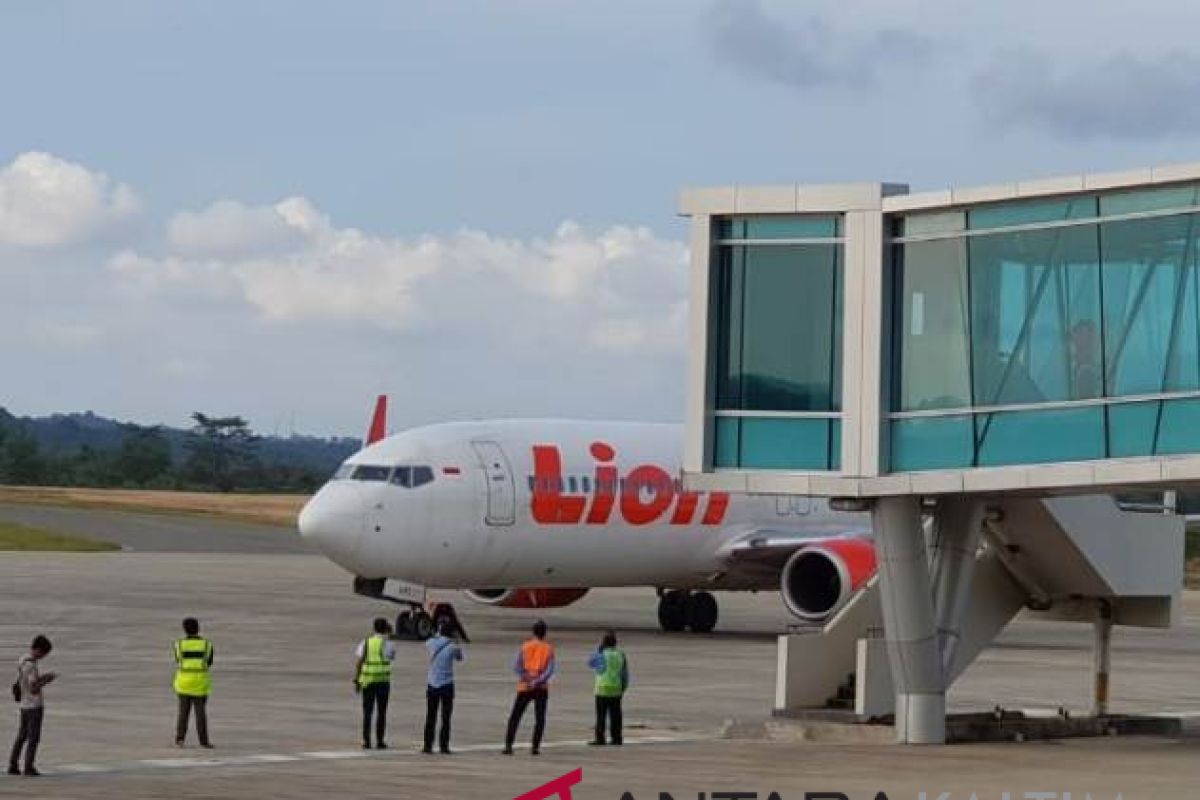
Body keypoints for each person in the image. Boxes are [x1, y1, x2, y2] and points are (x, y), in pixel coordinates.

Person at [503, 620, 556, 756]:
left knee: (515, 716)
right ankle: (535, 747)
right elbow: (549, 670)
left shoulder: (525, 646)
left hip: (525, 686)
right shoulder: (548, 648)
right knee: (539, 718)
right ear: (544, 633)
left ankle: (508, 745)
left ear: (533, 632)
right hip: (540, 687)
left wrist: (527, 678)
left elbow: (517, 666)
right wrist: (538, 681)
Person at [9, 635, 55, 777]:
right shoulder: (31, 665)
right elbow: (34, 688)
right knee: (33, 737)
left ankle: (13, 764)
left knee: (22, 735)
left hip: (24, 704)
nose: (43, 656)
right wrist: (46, 680)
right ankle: (28, 767)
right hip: (33, 705)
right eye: (43, 653)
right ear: (38, 650)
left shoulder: (23, 659)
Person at [423, 620, 463, 754]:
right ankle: (444, 746)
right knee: (446, 718)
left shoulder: (432, 643)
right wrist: (456, 641)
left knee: (430, 716)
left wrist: (437, 635)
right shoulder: (453, 647)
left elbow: (427, 642)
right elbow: (459, 658)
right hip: (447, 684)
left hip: (432, 683)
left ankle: (427, 745)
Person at [173, 618, 214, 748]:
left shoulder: (179, 644)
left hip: (184, 682)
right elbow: (209, 662)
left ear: (184, 629)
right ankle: (204, 741)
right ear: (198, 628)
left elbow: (178, 660)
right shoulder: (207, 644)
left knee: (183, 713)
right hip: (200, 683)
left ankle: (180, 739)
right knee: (200, 714)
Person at [354, 617, 395, 749]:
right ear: (386, 628)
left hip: (368, 681)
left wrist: (357, 680)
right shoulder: (388, 644)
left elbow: (359, 663)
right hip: (383, 682)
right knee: (381, 713)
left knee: (367, 712)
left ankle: (366, 741)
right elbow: (391, 657)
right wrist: (390, 634)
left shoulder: (365, 643)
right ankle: (380, 741)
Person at [588, 630, 629, 746]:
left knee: (601, 716)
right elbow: (625, 673)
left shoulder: (602, 654)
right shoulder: (621, 654)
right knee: (616, 715)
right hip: (616, 688)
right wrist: (623, 687)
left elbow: (590, 663)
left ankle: (600, 738)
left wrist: (598, 649)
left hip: (602, 689)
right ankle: (617, 738)